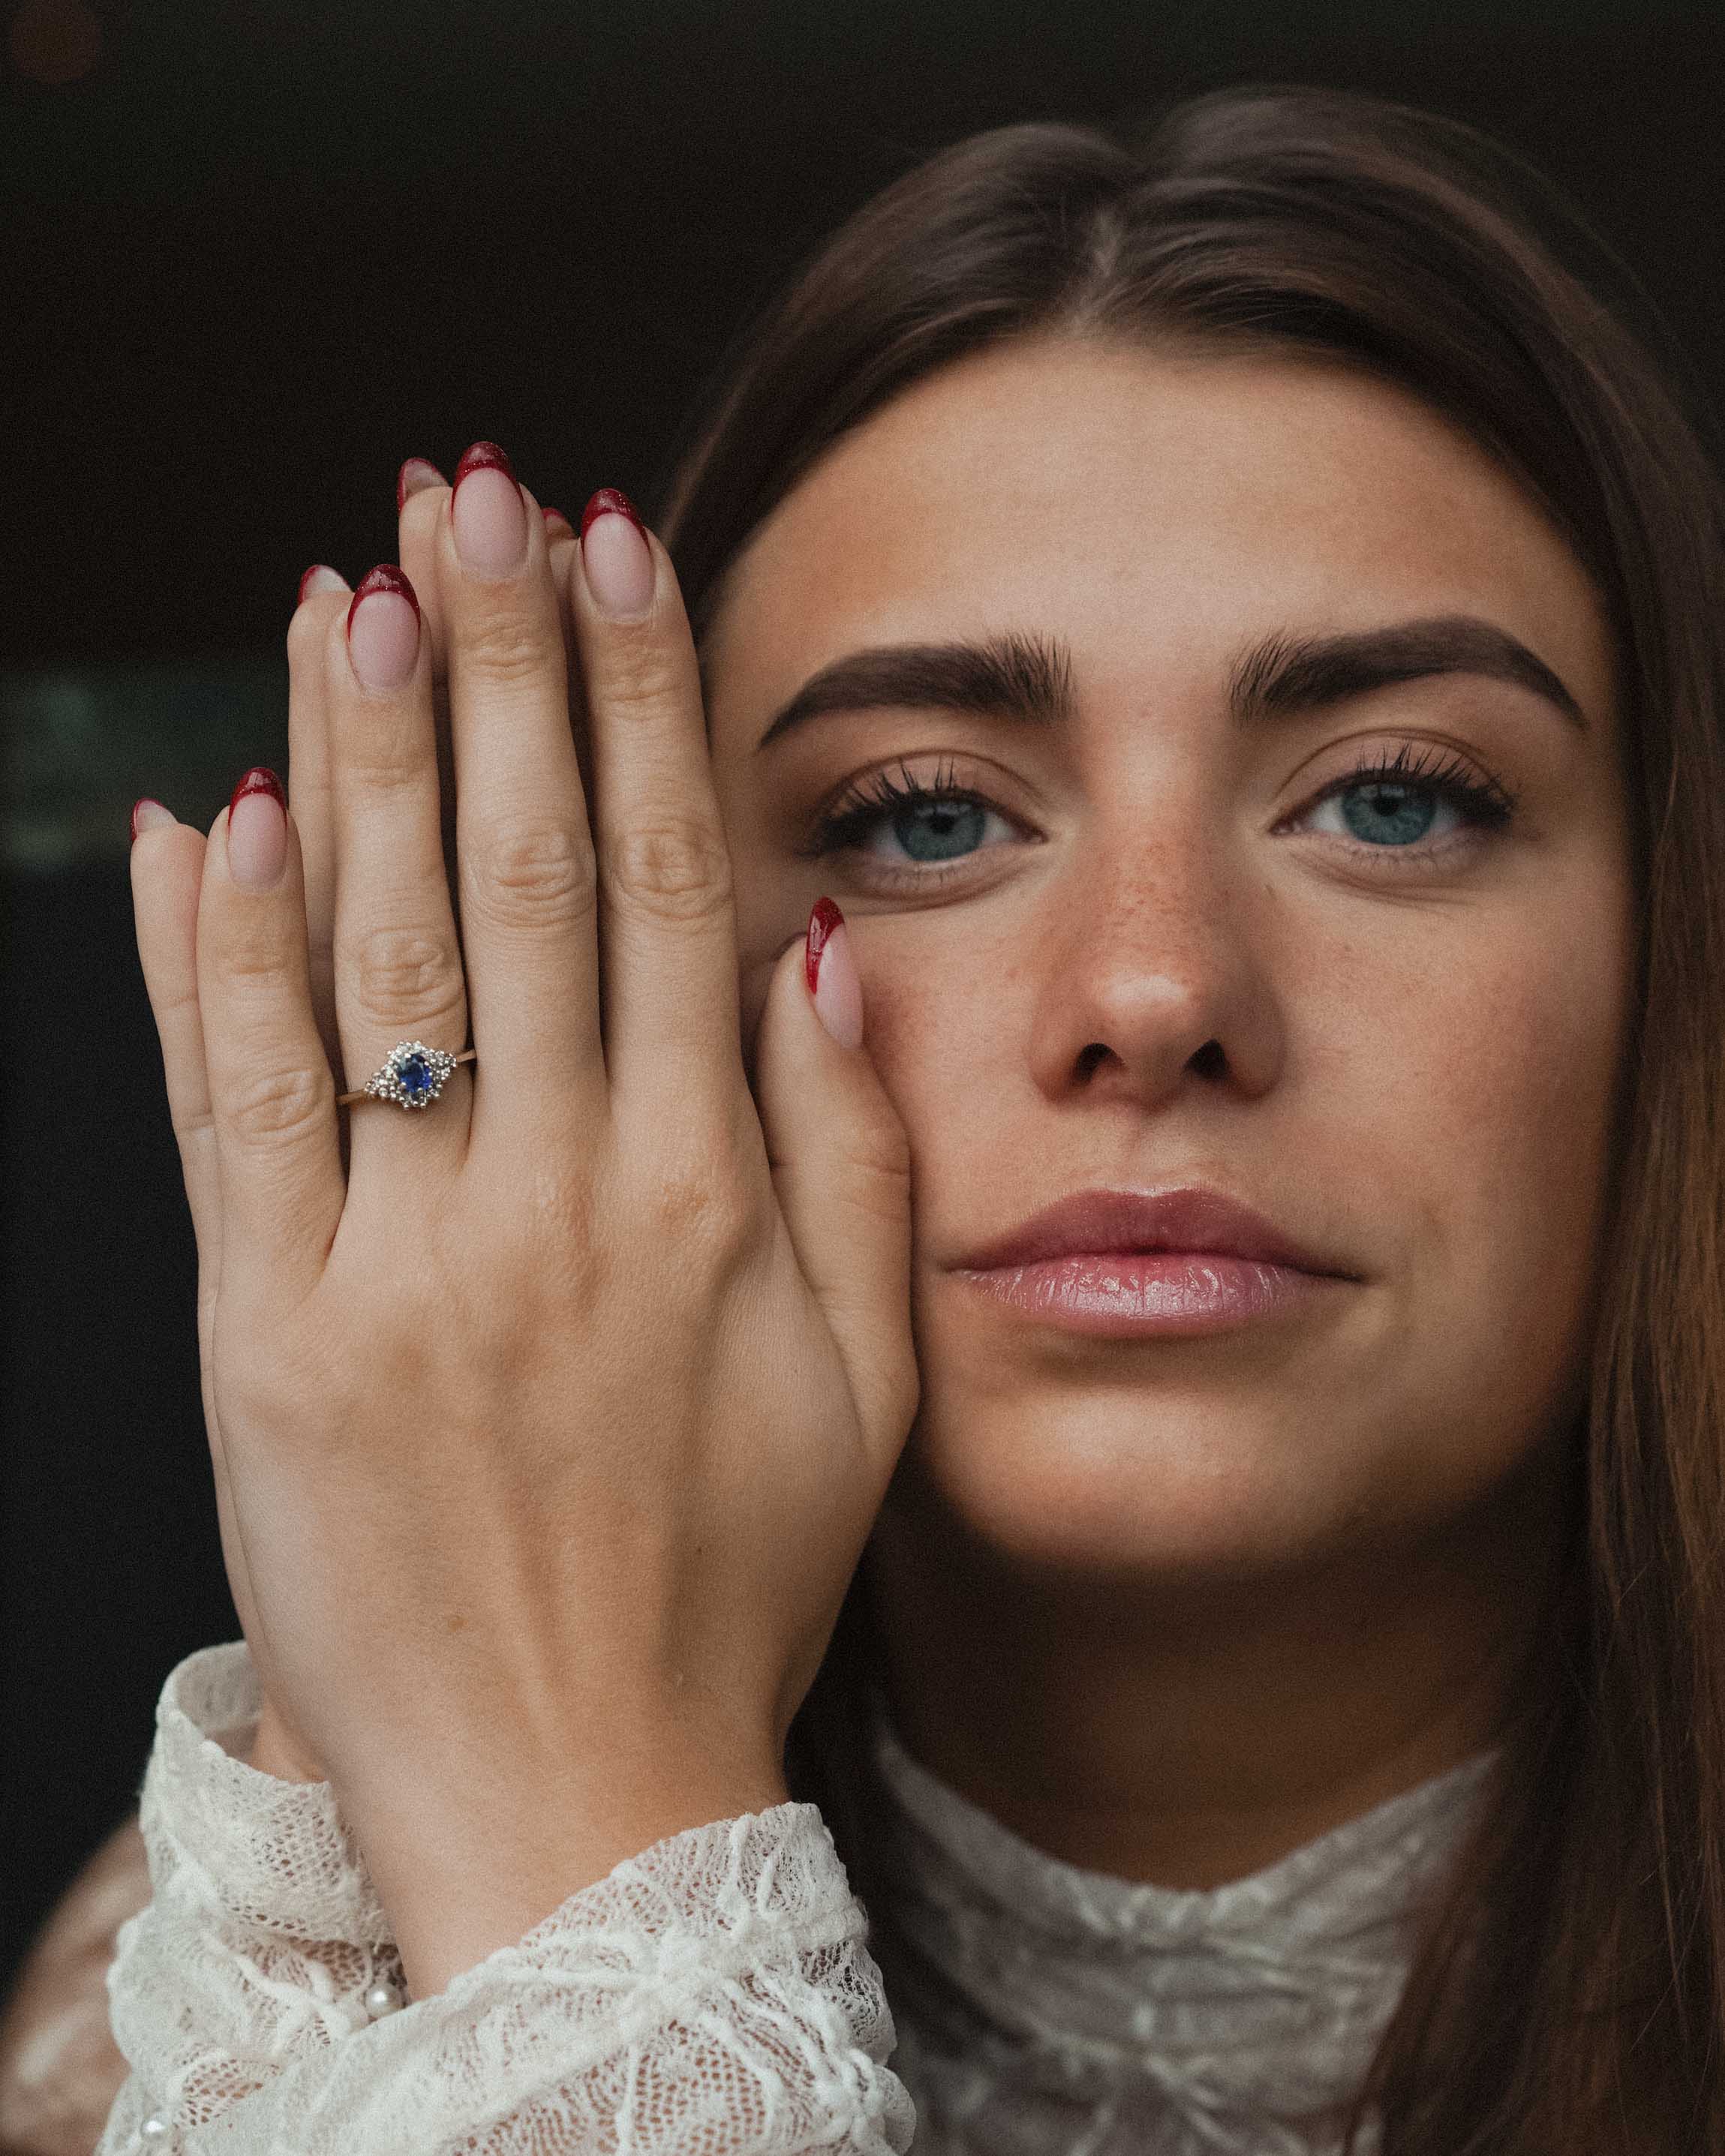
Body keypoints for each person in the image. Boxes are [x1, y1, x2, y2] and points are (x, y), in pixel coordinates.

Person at [5, 80, 1723, 2156]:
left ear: (1669, 959)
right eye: (923, 816)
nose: (1153, 993)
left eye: (1392, 797)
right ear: (631, 971)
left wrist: (588, 1897)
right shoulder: (220, 2006)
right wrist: (535, 1796)